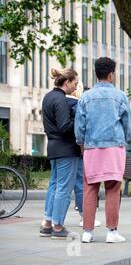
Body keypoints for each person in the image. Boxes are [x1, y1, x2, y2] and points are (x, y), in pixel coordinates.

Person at [75, 57, 131, 243]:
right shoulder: (121, 96)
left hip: (91, 146)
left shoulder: (85, 97)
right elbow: (127, 124)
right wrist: (123, 140)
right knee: (113, 189)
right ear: (111, 74)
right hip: (114, 146)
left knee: (90, 188)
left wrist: (81, 143)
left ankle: (87, 232)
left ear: (96, 73)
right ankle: (112, 232)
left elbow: (79, 125)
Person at [40, 68, 82, 239]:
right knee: (63, 189)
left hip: (53, 147)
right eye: (75, 83)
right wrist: (78, 120)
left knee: (54, 186)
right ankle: (58, 227)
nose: (76, 87)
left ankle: (47, 224)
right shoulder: (62, 101)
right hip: (66, 149)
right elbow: (65, 126)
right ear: (67, 82)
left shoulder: (48, 97)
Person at [66, 82, 101, 227]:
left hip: (60, 149)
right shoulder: (76, 104)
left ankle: (50, 219)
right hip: (77, 149)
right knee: (81, 184)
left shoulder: (58, 101)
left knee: (58, 184)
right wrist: (82, 145)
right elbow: (81, 126)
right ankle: (84, 217)